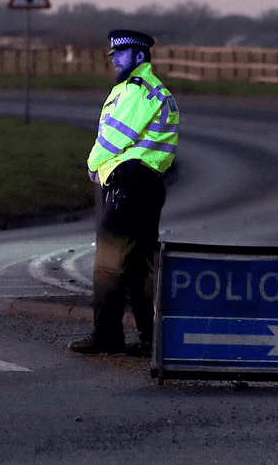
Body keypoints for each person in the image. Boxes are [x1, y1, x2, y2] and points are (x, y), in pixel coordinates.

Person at [68, 29, 180, 355]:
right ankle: (149, 339)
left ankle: (106, 335)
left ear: (140, 56)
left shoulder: (137, 91)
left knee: (108, 263)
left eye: (121, 53)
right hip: (146, 184)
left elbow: (115, 137)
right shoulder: (156, 92)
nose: (114, 59)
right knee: (139, 265)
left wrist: (92, 164)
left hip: (128, 183)